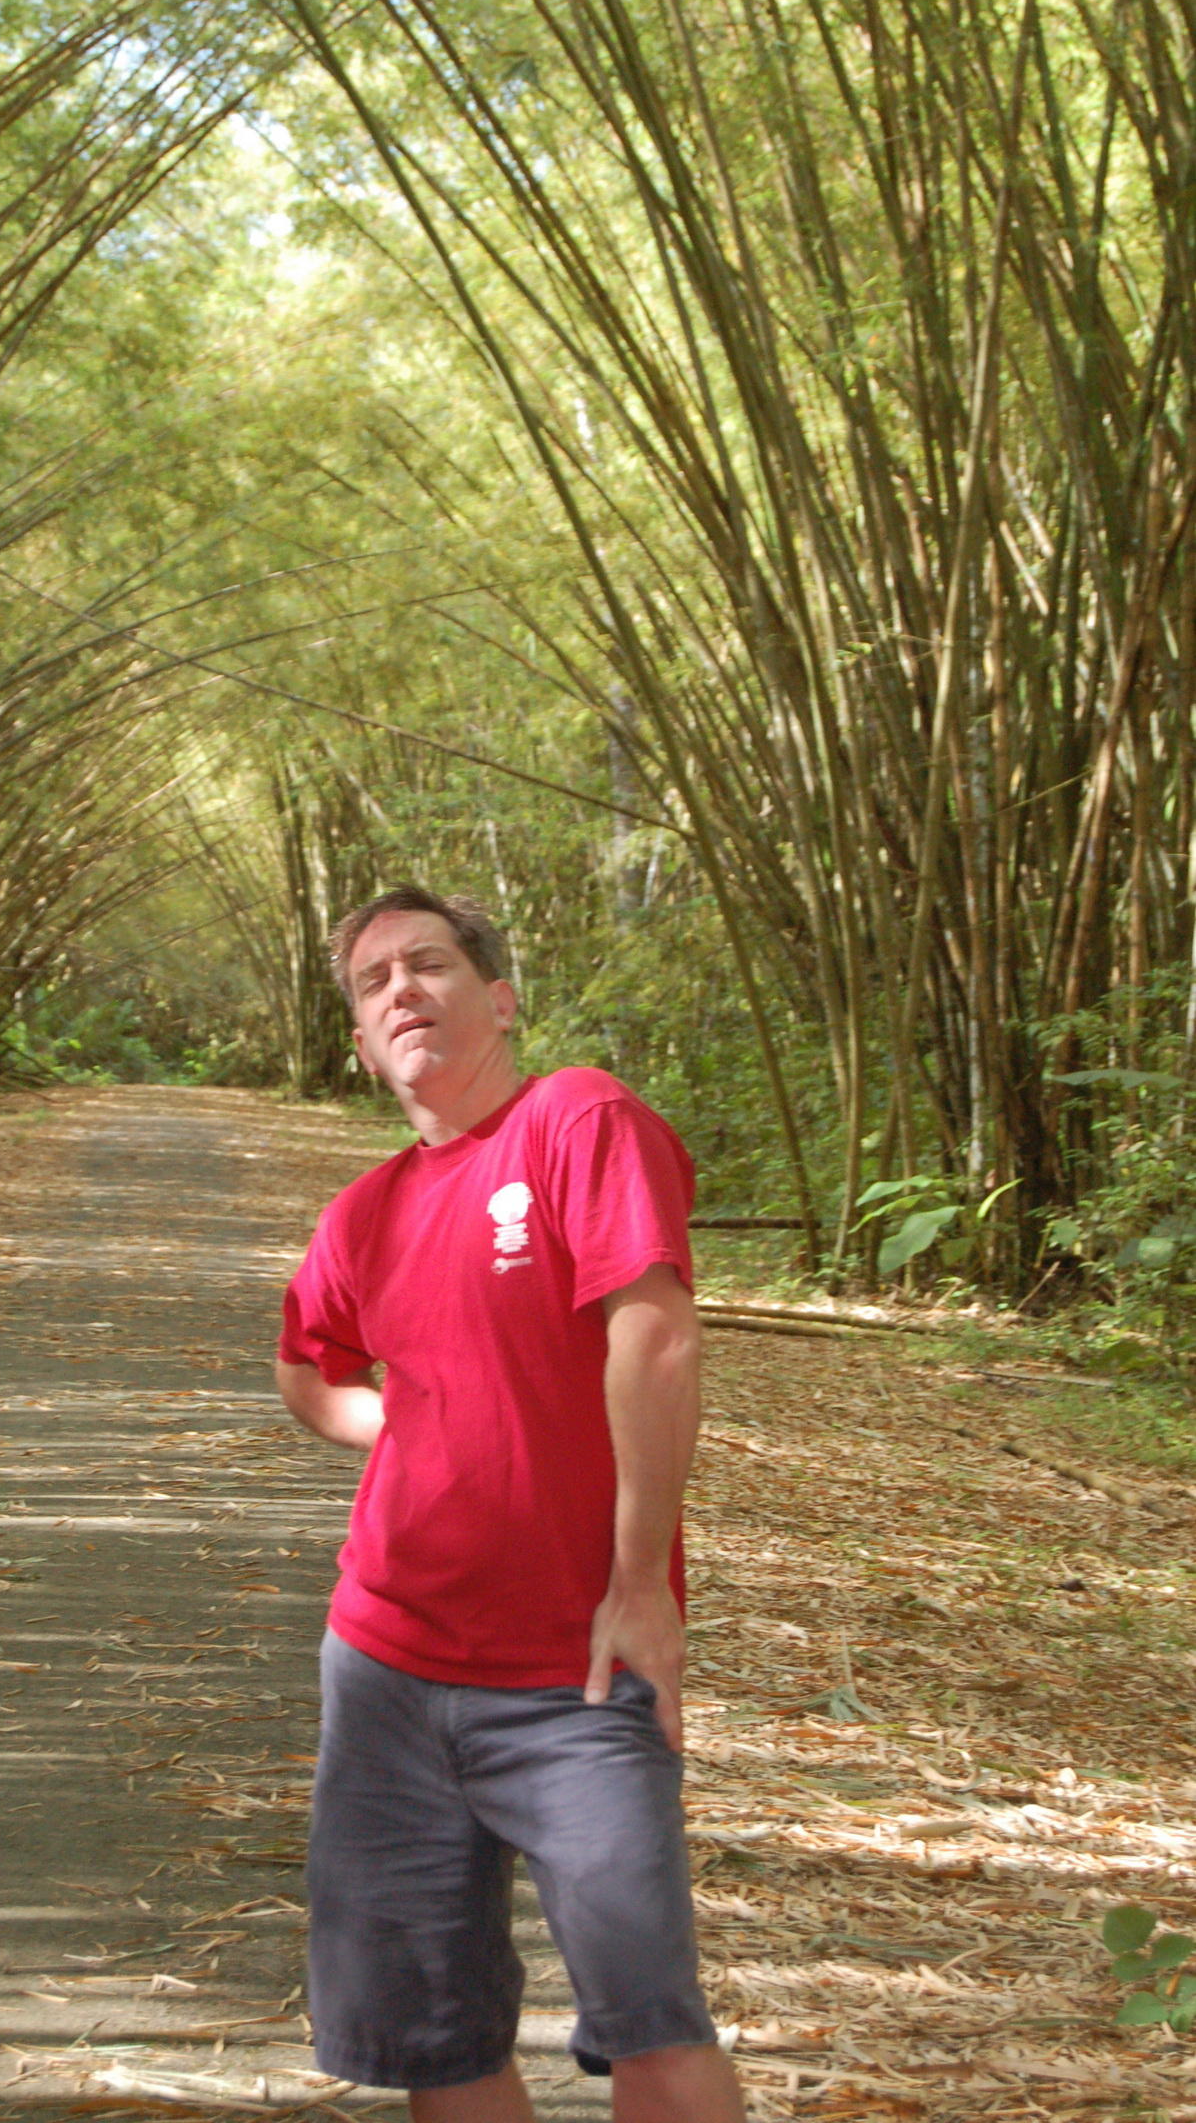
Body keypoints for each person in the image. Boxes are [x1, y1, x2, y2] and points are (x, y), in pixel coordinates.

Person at [276, 884, 743, 2123]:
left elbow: (656, 1342)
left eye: (426, 966)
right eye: (374, 986)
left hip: (573, 1670)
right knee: (438, 2039)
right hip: (383, 1670)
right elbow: (306, 1367)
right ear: (363, 1044)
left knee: (649, 2017)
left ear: (499, 997)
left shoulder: (573, 1119)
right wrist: (404, 1428)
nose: (402, 993)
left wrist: (640, 1583)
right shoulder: (364, 1214)